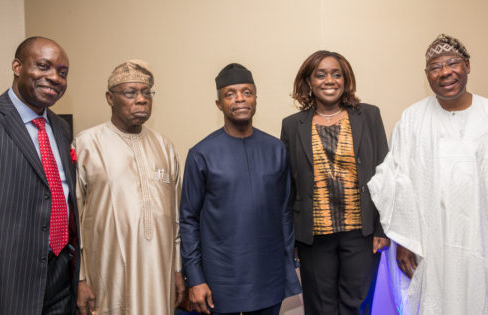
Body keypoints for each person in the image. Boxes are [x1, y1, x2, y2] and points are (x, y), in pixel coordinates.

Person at [368, 34, 488, 314]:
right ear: (427, 75)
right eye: (435, 67)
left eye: (452, 63)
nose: (445, 72)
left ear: (467, 66)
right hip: (431, 244)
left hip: (480, 237)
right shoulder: (413, 119)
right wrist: (406, 241)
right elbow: (397, 179)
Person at [180, 63, 301, 315]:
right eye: (230, 94)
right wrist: (195, 278)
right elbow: (188, 220)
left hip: (269, 274)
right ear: (219, 104)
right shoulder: (201, 154)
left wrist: (288, 262)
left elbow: (284, 212)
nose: (240, 99)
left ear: (256, 98)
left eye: (247, 92)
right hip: (220, 280)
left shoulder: (276, 149)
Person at [281, 50, 389, 314]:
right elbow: (287, 186)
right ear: (308, 82)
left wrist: (382, 229)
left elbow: (386, 176)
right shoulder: (293, 125)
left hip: (360, 234)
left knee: (356, 304)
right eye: (320, 75)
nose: (329, 80)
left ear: (345, 79)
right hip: (314, 236)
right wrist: (291, 238)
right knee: (320, 307)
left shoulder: (369, 115)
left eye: (336, 74)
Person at [74, 60, 185, 315]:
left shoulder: (165, 147)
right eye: (130, 92)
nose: (141, 99)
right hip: (107, 274)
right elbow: (74, 222)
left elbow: (176, 218)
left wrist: (178, 269)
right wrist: (80, 279)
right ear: (110, 98)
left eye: (146, 93)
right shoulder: (87, 144)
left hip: (160, 274)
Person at [0, 36, 80, 314]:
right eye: (43, 66)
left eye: (62, 72)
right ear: (17, 66)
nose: (54, 77)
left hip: (59, 273)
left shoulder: (60, 127)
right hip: (9, 276)